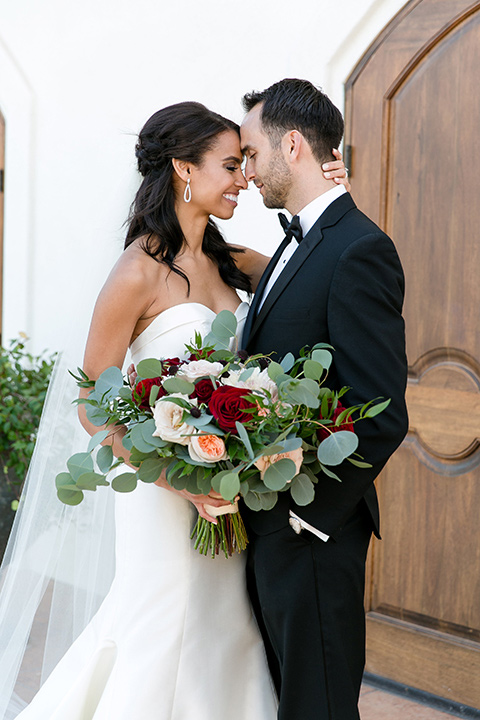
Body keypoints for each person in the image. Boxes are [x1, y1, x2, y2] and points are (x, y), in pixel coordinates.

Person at [0, 100, 348, 719]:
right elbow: (92, 401)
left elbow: (317, 269)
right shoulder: (136, 273)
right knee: (161, 626)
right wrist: (176, 478)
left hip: (224, 483)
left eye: (245, 163)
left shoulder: (231, 260)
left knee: (224, 629)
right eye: (230, 165)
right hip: (163, 492)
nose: (243, 178)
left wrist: (331, 195)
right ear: (184, 171)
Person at [239, 78, 409, 720]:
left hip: (312, 530)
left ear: (291, 146)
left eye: (252, 153)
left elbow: (382, 411)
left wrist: (306, 515)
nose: (248, 170)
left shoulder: (358, 248)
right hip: (268, 526)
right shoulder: (294, 238)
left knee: (320, 705)